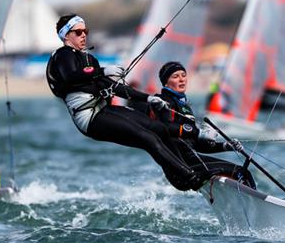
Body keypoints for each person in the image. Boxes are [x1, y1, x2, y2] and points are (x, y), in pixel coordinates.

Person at [46, 14, 214, 191]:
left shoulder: (89, 59)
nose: (83, 35)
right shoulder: (62, 56)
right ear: (66, 36)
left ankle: (184, 168)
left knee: (160, 128)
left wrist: (147, 98)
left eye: (85, 31)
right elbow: (72, 75)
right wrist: (103, 70)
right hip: (89, 118)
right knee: (147, 138)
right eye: (78, 32)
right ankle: (189, 177)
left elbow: (113, 87)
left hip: (104, 109)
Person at [150, 61, 256, 189]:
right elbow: (163, 128)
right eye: (175, 76)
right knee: (241, 173)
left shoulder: (184, 106)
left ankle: (239, 207)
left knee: (241, 173)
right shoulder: (163, 102)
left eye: (184, 75)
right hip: (181, 167)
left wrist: (225, 146)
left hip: (191, 161)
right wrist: (196, 131)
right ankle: (258, 208)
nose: (182, 79)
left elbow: (195, 144)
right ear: (166, 82)